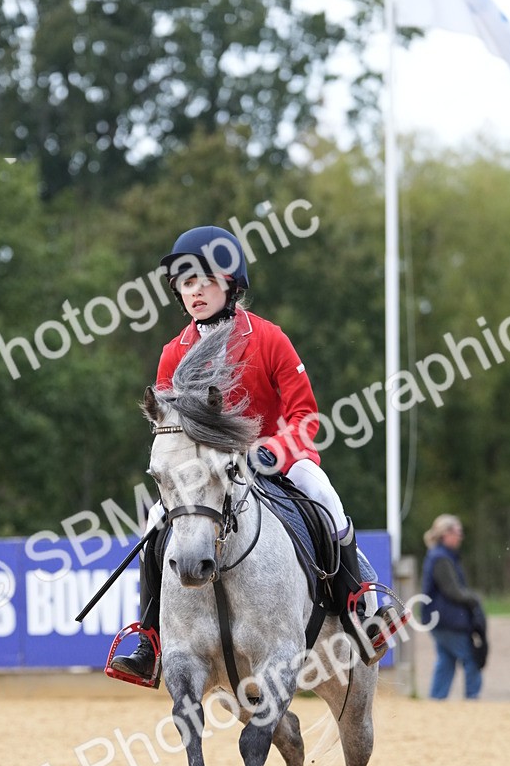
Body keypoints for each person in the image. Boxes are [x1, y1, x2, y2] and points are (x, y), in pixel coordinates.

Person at [110, 224, 395, 683]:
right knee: (153, 524)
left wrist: (268, 453)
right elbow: (170, 426)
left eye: (205, 281)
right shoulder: (172, 354)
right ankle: (149, 638)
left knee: (322, 492)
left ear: (230, 284)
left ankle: (357, 606)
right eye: (186, 284)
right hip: (205, 477)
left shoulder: (268, 338)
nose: (196, 292)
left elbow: (305, 416)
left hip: (275, 463)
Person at [421, 514, 483, 700]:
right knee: (471, 658)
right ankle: (473, 698)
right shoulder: (441, 558)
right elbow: (453, 591)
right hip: (449, 619)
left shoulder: (438, 556)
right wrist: (474, 599)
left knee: (446, 661)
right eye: (457, 532)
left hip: (439, 619)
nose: (460, 536)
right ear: (445, 534)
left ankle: (437, 699)